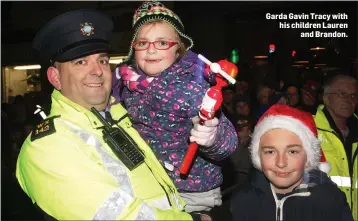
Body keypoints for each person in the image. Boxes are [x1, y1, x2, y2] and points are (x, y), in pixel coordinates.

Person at [16, 9, 214, 221]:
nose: (97, 71)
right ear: (55, 77)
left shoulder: (121, 117)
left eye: (102, 60)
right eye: (80, 62)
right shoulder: (47, 146)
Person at [112, 1, 238, 212]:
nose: (151, 50)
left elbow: (228, 143)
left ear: (178, 49)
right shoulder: (129, 85)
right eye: (142, 43)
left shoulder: (191, 86)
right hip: (152, 186)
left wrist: (212, 137)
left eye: (162, 43)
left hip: (192, 192)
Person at [231, 104, 353, 221]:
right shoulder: (244, 200)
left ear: (308, 158)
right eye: (270, 152)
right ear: (258, 156)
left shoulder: (329, 200)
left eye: (292, 152)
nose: (281, 163)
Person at [314, 74, 357, 220]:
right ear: (326, 98)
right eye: (342, 94)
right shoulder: (308, 129)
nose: (349, 100)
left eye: (353, 95)